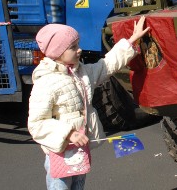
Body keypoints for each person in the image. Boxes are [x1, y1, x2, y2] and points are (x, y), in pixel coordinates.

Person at [28, 16, 150, 189]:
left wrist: (131, 40)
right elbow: (36, 123)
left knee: (78, 186)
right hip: (60, 153)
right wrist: (69, 134)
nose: (79, 50)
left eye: (77, 45)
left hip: (79, 150)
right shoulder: (46, 83)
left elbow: (107, 65)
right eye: (73, 47)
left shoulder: (81, 72)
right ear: (57, 52)